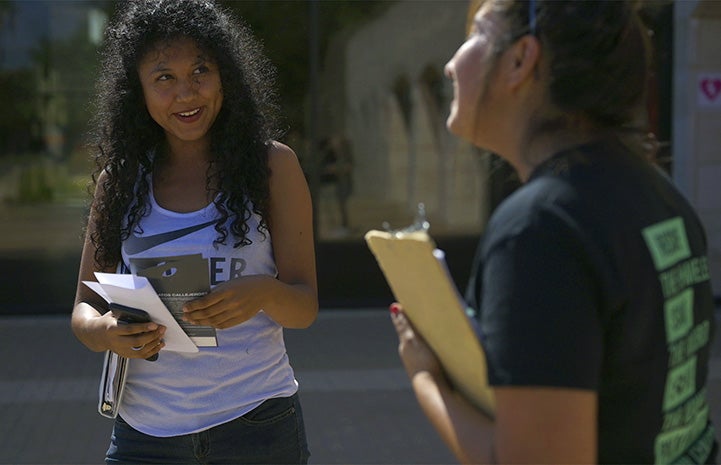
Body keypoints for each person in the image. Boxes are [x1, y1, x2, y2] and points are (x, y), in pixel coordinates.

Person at [390, 0, 718, 463]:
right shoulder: (660, 193)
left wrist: (427, 378)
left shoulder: (539, 230)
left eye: (476, 35)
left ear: (521, 60)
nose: (449, 64)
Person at [70, 1, 317, 463]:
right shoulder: (120, 180)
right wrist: (106, 331)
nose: (186, 93)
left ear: (225, 75)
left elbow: (304, 307)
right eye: (164, 77)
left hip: (257, 425)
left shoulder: (273, 166)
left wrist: (262, 292)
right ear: (137, 92)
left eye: (201, 70)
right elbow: (85, 309)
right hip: (144, 438)